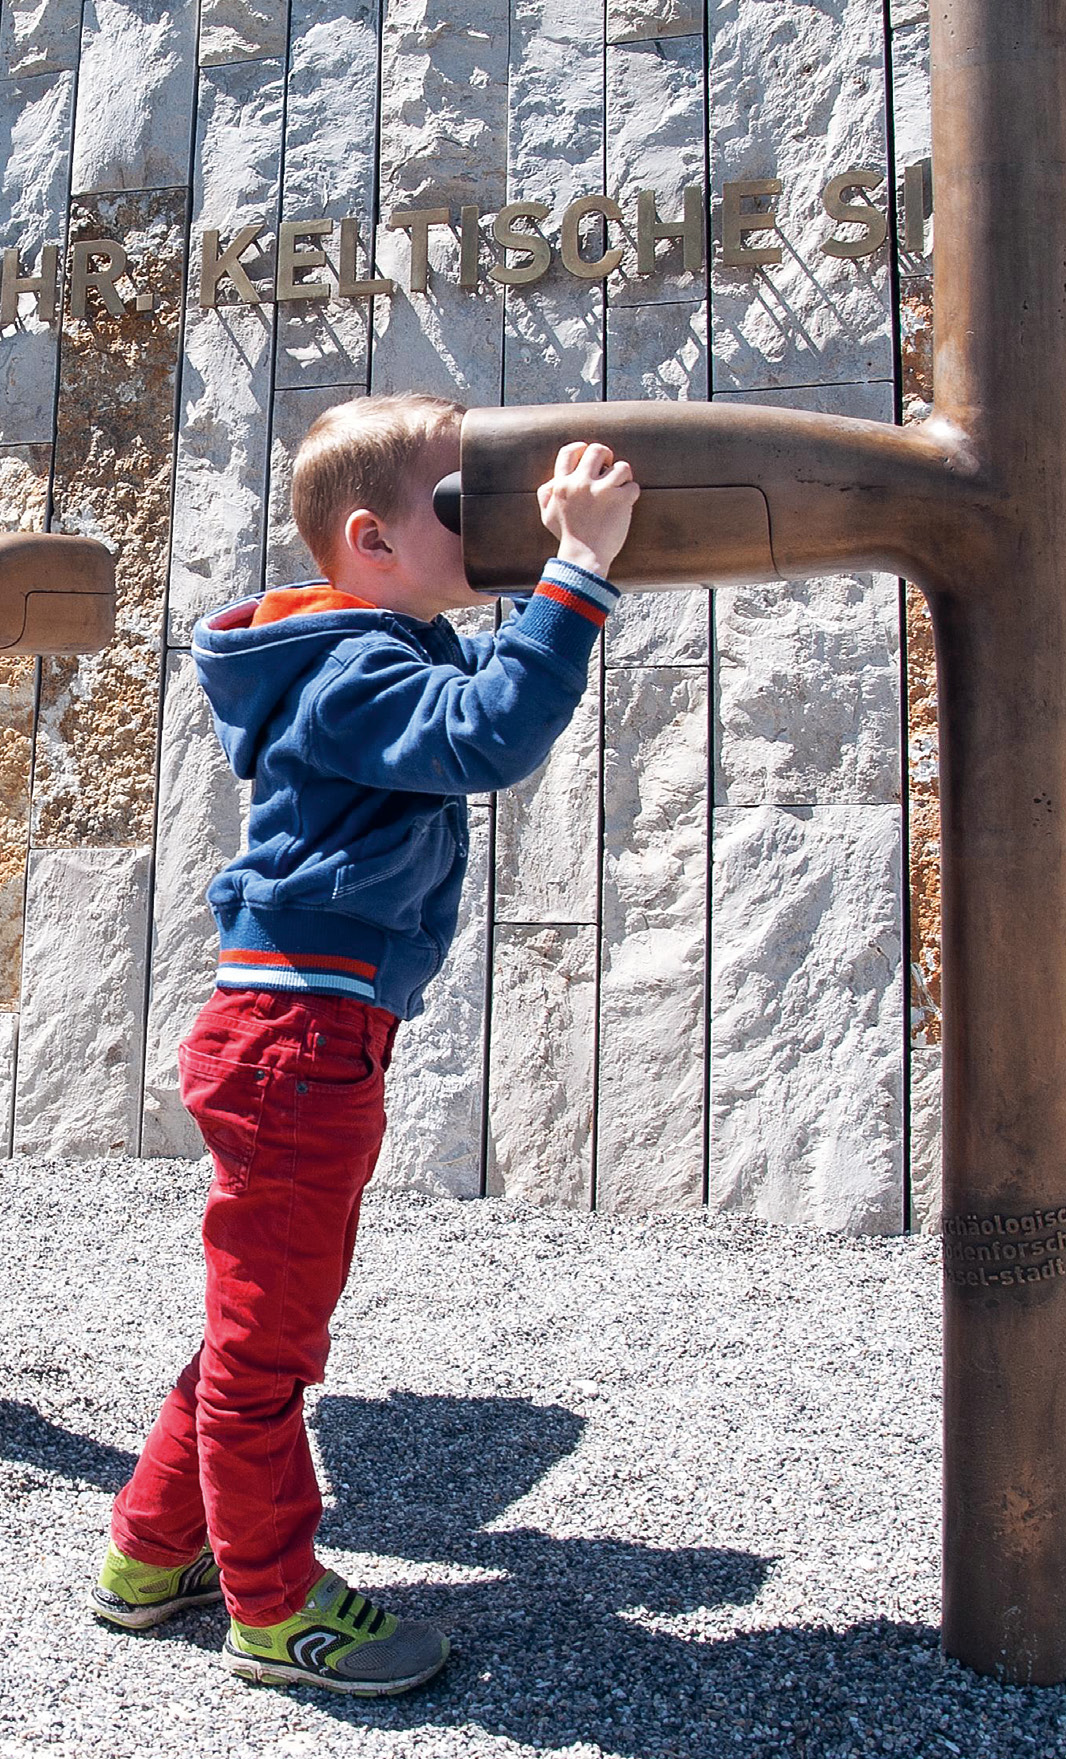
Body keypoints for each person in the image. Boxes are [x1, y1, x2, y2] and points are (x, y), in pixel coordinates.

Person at [88, 393, 639, 1696]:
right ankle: (276, 1610)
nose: (492, 519)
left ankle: (150, 1553)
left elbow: (483, 692)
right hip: (298, 1043)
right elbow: (490, 733)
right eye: (465, 503)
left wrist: (533, 585)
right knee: (272, 1350)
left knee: (255, 1328)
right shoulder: (352, 668)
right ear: (370, 541)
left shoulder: (372, 647)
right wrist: (576, 568)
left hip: (301, 1036)